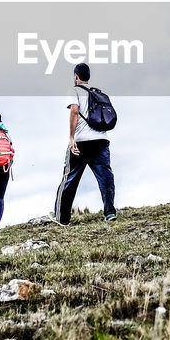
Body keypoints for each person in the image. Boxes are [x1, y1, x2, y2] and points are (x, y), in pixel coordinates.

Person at [52, 62, 117, 224]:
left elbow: (75, 111)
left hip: (81, 142)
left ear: (76, 76)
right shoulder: (97, 93)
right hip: (101, 140)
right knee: (105, 177)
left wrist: (71, 138)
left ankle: (61, 218)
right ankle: (109, 212)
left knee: (70, 178)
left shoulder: (74, 90)